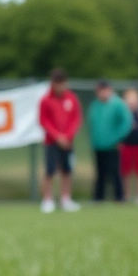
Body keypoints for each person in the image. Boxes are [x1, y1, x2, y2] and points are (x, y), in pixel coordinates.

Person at [38, 68, 82, 213]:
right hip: (52, 142)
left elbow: (76, 119)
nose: (61, 87)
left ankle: (66, 199)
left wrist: (67, 136)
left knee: (67, 171)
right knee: (50, 171)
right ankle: (48, 200)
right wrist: (57, 136)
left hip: (68, 142)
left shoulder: (72, 98)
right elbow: (44, 121)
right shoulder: (45, 100)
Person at [87, 80, 133, 203]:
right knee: (100, 173)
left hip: (113, 145)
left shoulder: (118, 104)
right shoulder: (95, 105)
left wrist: (118, 138)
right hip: (98, 145)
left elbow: (126, 123)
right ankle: (99, 198)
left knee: (114, 172)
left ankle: (119, 197)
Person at [119, 87, 138, 204]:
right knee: (125, 172)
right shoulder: (122, 115)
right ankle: (126, 195)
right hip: (126, 145)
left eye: (134, 100)